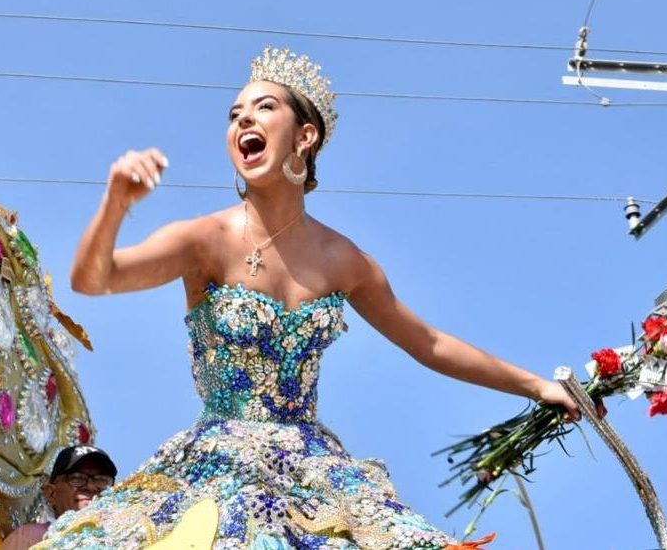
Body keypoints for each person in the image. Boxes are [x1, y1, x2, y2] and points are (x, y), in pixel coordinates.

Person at [43, 47, 580, 549]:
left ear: (305, 137)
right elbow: (95, 279)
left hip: (315, 469)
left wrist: (537, 387)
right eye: (234, 115)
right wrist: (116, 203)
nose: (243, 122)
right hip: (216, 465)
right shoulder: (206, 240)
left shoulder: (344, 260)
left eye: (263, 108)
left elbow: (430, 343)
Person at [0, 445, 117, 550]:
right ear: (51, 494)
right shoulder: (31, 538)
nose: (91, 487)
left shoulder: (125, 538)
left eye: (101, 480)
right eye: (77, 478)